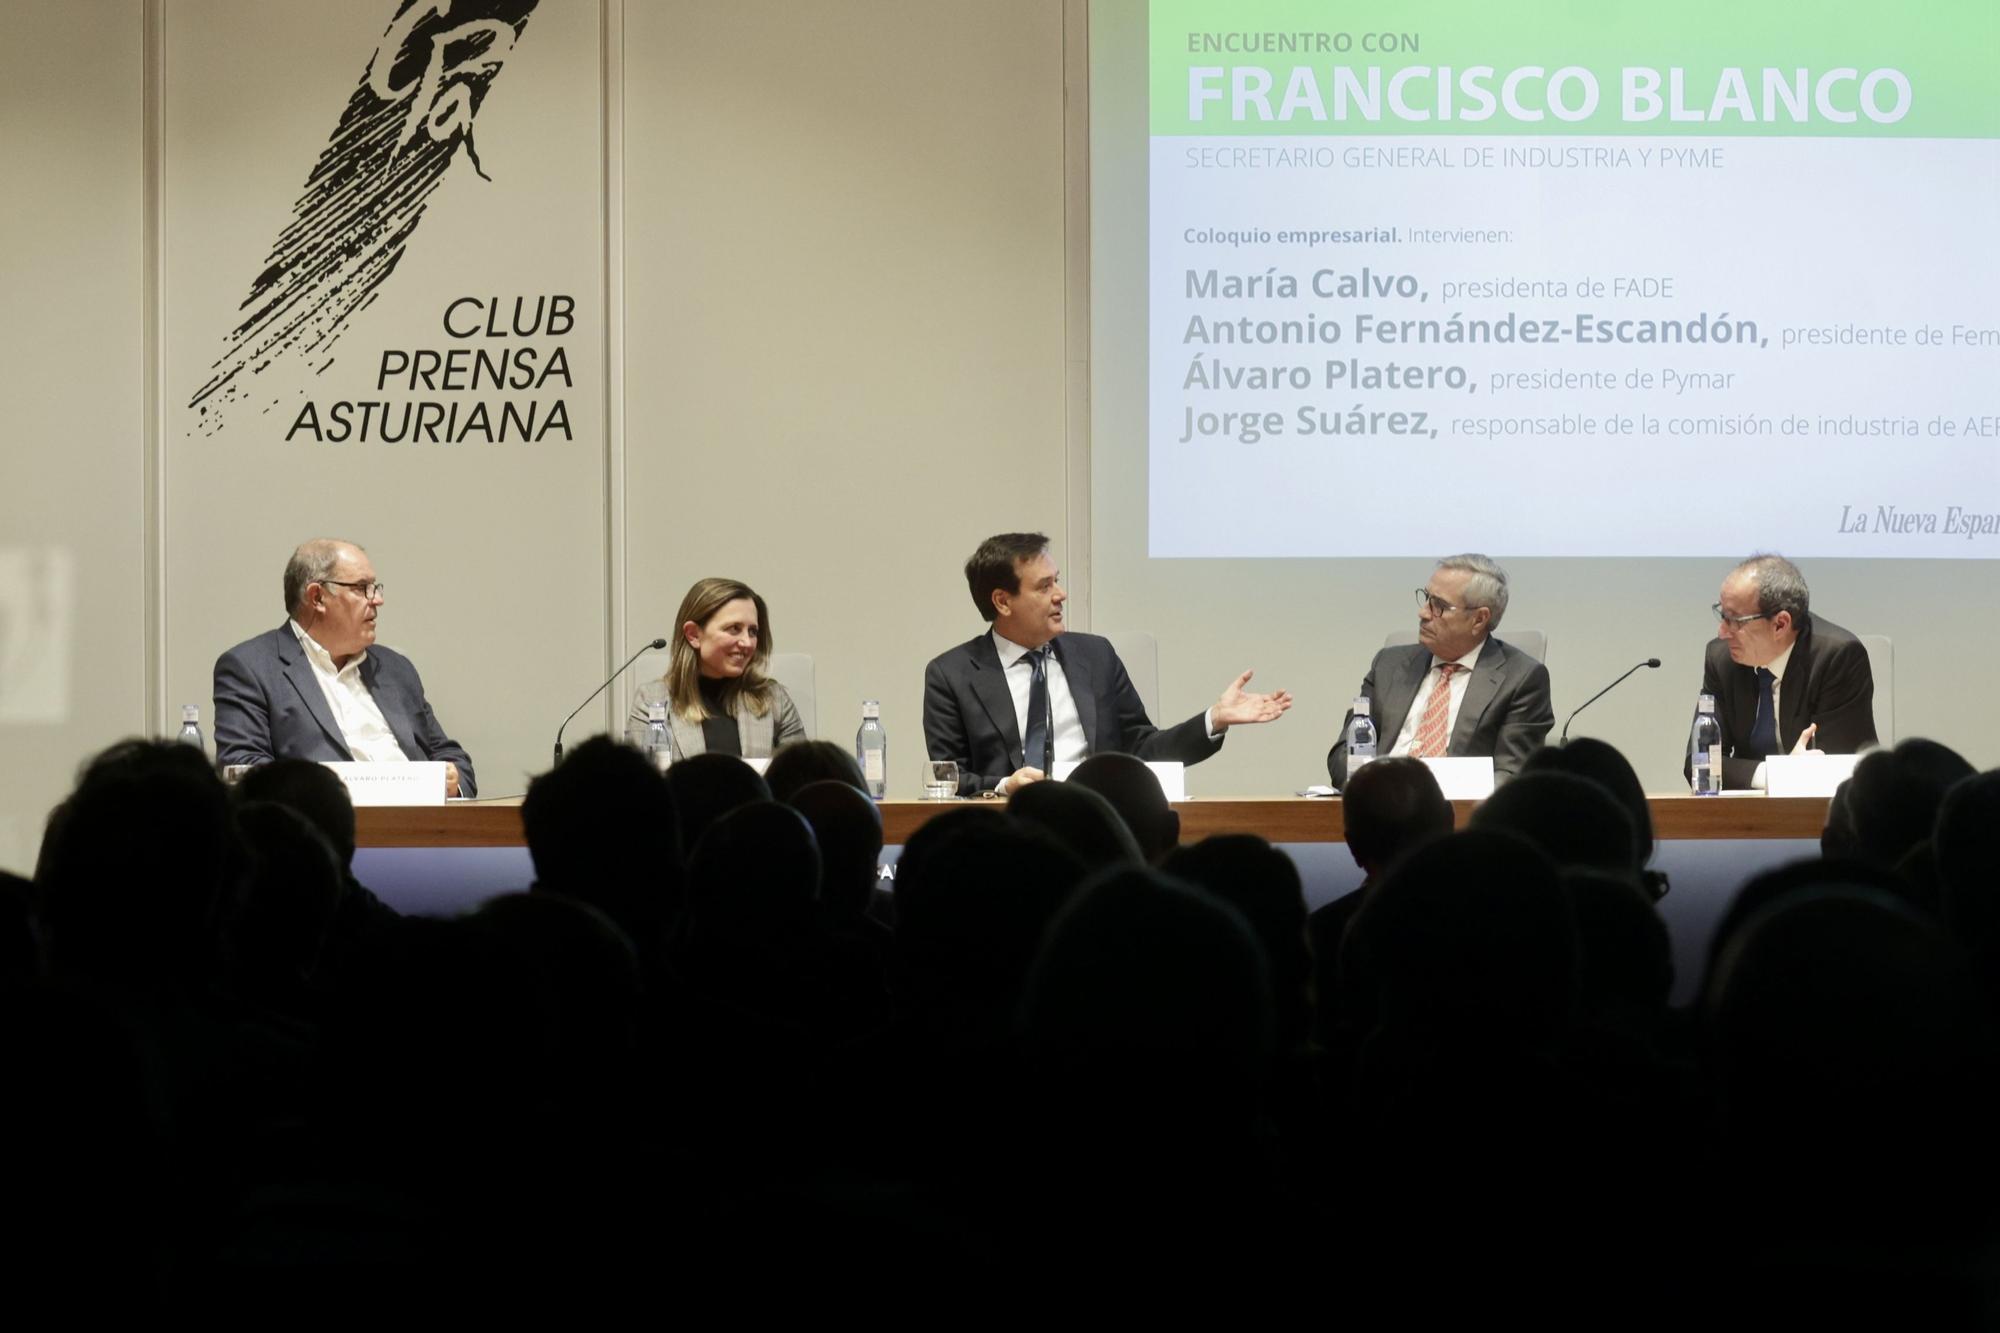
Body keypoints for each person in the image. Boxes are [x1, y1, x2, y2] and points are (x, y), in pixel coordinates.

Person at [922, 533, 1291, 796]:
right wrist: (1004, 786)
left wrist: (1214, 719)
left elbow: (1142, 749)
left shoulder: (1096, 656)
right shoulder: (952, 674)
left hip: (1098, 830)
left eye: (1058, 582)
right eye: (1044, 586)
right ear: (1003, 601)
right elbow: (948, 779)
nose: (1060, 595)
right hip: (1007, 836)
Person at [213, 539, 474, 796]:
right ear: (317, 597)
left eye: (375, 587)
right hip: (327, 829)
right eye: (362, 588)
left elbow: (452, 758)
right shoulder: (250, 668)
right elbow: (244, 770)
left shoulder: (395, 669)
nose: (377, 600)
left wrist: (452, 780)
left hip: (423, 829)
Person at [1326, 554, 1552, 788]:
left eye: (1439, 606)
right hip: (1377, 806)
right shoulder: (1389, 664)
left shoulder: (1522, 678)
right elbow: (1344, 753)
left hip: (1454, 814)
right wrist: (1374, 792)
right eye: (1426, 599)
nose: (1423, 613)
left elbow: (1511, 775)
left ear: (1479, 619)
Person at [1689, 553, 1875, 790]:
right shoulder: (1722, 659)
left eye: (1735, 620)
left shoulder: (1837, 657)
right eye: (1722, 614)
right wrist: (1780, 773)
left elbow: (1839, 770)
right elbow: (1700, 764)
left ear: (1780, 624)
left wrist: (1786, 774)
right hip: (1749, 818)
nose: (1722, 632)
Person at [629, 577, 805, 760]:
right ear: (694, 635)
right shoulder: (651, 700)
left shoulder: (774, 700)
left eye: (752, 631)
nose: (747, 642)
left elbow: (801, 777)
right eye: (734, 629)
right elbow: (639, 782)